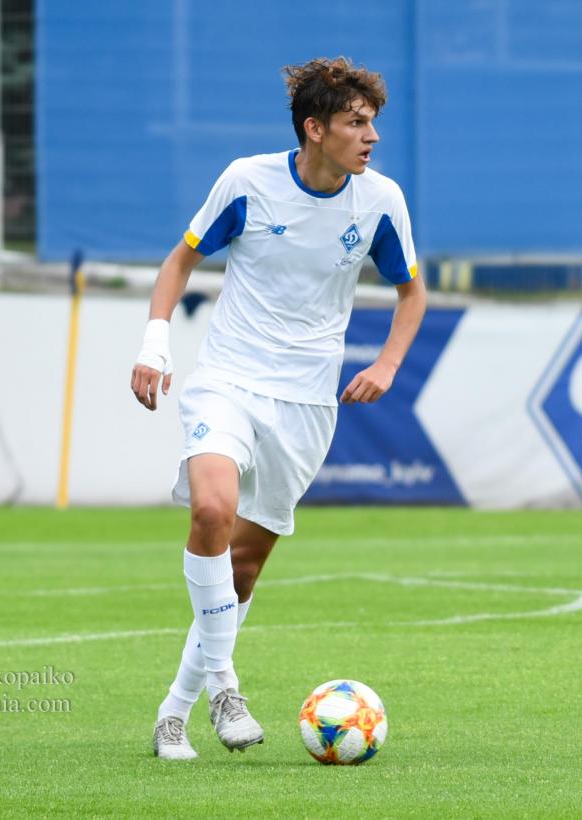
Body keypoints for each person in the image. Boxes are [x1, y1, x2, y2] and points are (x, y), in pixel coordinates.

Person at [130, 56, 427, 760]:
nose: (372, 137)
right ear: (315, 128)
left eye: (374, 123)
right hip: (228, 378)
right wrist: (154, 345)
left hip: (305, 402)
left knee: (243, 570)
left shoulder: (380, 201)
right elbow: (179, 261)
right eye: (357, 123)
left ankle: (174, 713)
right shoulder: (247, 181)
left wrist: (387, 364)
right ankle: (226, 687)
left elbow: (411, 291)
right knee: (212, 511)